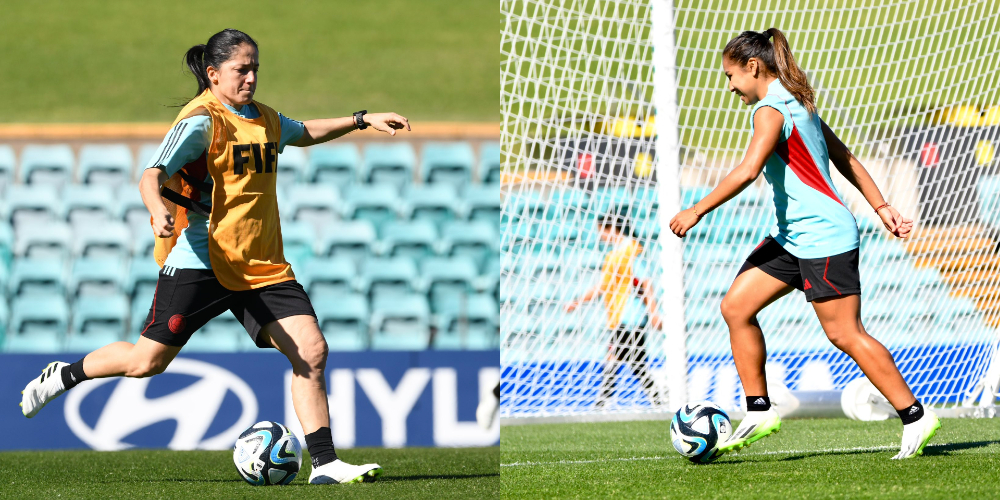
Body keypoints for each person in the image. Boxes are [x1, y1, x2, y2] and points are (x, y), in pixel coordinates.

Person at [20, 29, 411, 483]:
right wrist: (158, 211)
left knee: (311, 351)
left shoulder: (262, 118)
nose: (250, 78)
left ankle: (325, 464)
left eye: (255, 69)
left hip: (261, 265)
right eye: (241, 70)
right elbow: (151, 176)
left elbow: (303, 133)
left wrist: (361, 119)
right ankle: (65, 374)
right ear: (213, 73)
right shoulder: (201, 121)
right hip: (201, 261)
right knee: (144, 363)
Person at [668, 28, 938, 460]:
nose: (730, 86)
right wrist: (881, 206)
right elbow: (845, 158)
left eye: (730, 75)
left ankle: (915, 416)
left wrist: (696, 209)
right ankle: (759, 411)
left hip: (823, 237)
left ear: (753, 67)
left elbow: (748, 169)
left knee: (844, 333)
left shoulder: (771, 110)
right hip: (793, 237)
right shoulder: (800, 102)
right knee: (736, 307)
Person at [566, 210, 664, 408]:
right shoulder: (615, 254)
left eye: (601, 231)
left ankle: (602, 403)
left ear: (611, 229)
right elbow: (603, 287)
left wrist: (653, 312)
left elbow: (645, 281)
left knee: (614, 355)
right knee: (636, 363)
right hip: (621, 317)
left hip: (630, 317)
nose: (600, 236)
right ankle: (658, 400)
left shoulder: (631, 251)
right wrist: (578, 301)